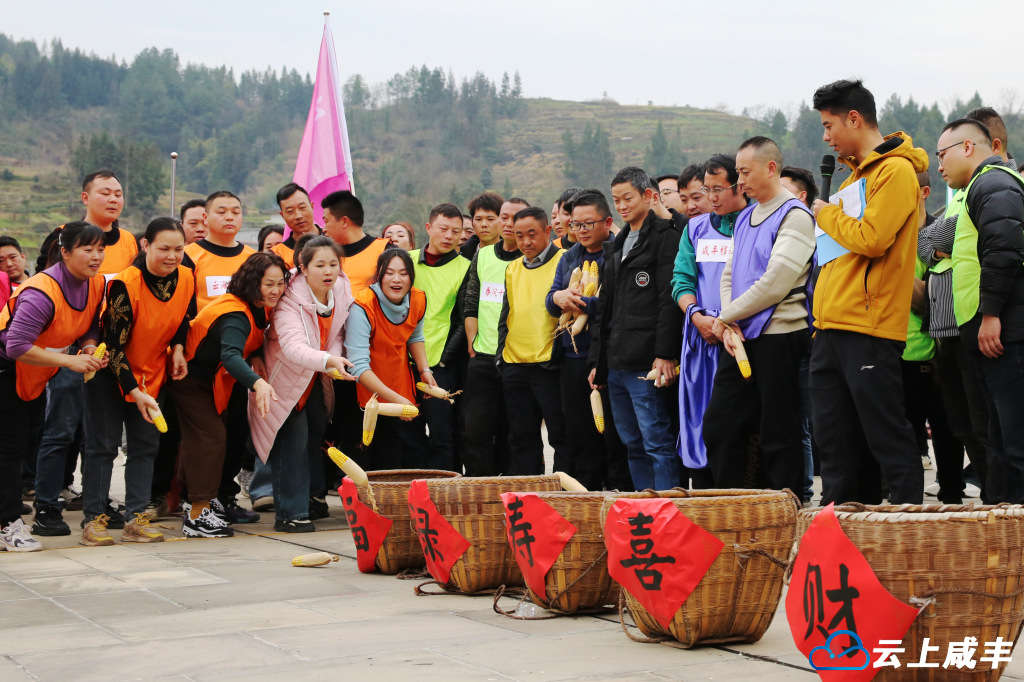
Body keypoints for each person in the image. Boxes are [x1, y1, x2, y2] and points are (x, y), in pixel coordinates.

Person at [809, 79, 927, 505]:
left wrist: (825, 215)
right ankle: (838, 532)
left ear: (854, 119)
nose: (825, 137)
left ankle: (909, 527)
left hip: (870, 328)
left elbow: (874, 239)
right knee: (835, 444)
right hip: (830, 325)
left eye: (828, 125)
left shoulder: (895, 171)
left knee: (887, 439)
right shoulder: (853, 180)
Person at [703, 137, 815, 497]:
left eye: (745, 172)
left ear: (771, 168)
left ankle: (785, 507)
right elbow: (728, 274)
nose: (740, 181)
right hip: (740, 337)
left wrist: (726, 318)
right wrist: (728, 317)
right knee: (720, 424)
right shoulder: (747, 216)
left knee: (778, 430)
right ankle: (732, 502)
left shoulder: (795, 216)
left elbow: (775, 283)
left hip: (780, 335)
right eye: (738, 172)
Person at [33, 171, 137, 536]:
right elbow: (48, 293)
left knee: (99, 437)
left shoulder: (128, 242)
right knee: (61, 431)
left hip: (106, 353)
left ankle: (98, 501)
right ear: (85, 197)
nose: (113, 199)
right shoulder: (64, 235)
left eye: (119, 193)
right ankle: (47, 504)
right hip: (65, 351)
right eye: (104, 192)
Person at [80, 218, 194, 546]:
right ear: (145, 246)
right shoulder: (125, 284)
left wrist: (178, 349)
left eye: (178, 249)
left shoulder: (186, 276)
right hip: (108, 371)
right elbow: (114, 349)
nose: (172, 256)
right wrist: (134, 391)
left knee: (146, 446)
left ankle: (136, 519)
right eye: (164, 249)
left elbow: (185, 316)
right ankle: (94, 520)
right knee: (103, 446)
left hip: (151, 372)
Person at [0, 222, 108, 550]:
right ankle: (7, 525)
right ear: (65, 252)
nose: (96, 256)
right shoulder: (40, 291)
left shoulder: (95, 284)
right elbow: (15, 345)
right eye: (86, 249)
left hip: (35, 375)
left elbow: (88, 323)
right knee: (8, 449)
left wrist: (88, 347)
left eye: (100, 249)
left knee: (25, 444)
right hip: (7, 370)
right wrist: (70, 361)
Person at [172, 252, 288, 538]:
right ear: (251, 283)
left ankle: (203, 500)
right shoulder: (235, 313)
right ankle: (197, 516)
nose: (275, 291)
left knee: (221, 437)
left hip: (214, 381)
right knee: (209, 438)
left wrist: (259, 354)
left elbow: (250, 341)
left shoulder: (257, 306)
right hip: (190, 379)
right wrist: (257, 383)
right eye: (268, 284)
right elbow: (232, 355)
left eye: (280, 283)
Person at [939, 118, 1024, 503]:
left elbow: (1004, 250)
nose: (939, 165)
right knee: (1001, 442)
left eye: (943, 154)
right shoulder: (982, 186)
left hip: (1006, 331)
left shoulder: (992, 184)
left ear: (969, 148)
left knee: (1015, 442)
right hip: (993, 330)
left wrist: (990, 314)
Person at [249, 236, 354, 531]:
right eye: (319, 265)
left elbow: (336, 335)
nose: (328, 271)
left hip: (315, 378)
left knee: (313, 437)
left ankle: (308, 501)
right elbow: (294, 348)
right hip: (283, 380)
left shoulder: (342, 289)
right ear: (303, 269)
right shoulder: (289, 301)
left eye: (333, 264)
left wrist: (333, 359)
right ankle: (289, 514)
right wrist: (329, 362)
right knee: (291, 443)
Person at [590, 167, 683, 491]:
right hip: (616, 361)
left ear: (648, 195)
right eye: (616, 200)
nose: (622, 206)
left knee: (656, 440)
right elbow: (607, 308)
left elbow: (668, 300)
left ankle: (669, 509)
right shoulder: (617, 243)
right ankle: (645, 506)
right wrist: (598, 362)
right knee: (632, 442)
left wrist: (664, 354)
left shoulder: (665, 236)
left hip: (647, 362)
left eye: (627, 198)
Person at [546, 190, 630, 490]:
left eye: (588, 224)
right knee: (580, 433)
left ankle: (620, 492)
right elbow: (551, 297)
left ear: (607, 222)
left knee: (613, 434)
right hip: (572, 356)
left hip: (607, 355)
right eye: (575, 225)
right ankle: (588, 494)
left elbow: (618, 304)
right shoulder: (569, 257)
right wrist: (558, 297)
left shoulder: (618, 254)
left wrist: (588, 304)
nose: (581, 231)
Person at [671, 156, 747, 476]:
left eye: (719, 189)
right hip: (701, 335)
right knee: (700, 418)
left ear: (738, 186)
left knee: (736, 424)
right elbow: (681, 280)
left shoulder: (754, 223)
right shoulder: (696, 229)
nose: (712, 197)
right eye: (707, 189)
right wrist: (695, 315)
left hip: (742, 334)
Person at [900, 170, 964, 504]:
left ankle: (953, 501)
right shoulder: (888, 235)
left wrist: (898, 281)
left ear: (924, 192)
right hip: (896, 356)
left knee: (949, 434)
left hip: (937, 356)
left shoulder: (937, 236)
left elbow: (940, 296)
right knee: (903, 442)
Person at [496, 207, 567, 475]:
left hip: (549, 363)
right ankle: (527, 498)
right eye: (519, 236)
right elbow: (507, 314)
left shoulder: (565, 260)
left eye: (532, 235)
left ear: (547, 231)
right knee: (521, 437)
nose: (525, 242)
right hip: (514, 364)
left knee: (560, 435)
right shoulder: (513, 268)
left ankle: (563, 496)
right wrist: (500, 358)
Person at [345, 249, 431, 470]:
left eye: (403, 273)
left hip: (397, 381)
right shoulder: (362, 305)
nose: (396, 279)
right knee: (364, 455)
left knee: (392, 454)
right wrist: (398, 400)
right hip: (365, 387)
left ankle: (388, 503)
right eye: (389, 273)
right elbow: (358, 366)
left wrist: (425, 371)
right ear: (379, 275)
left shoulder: (418, 298)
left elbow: (415, 335)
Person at [461, 196, 527, 476]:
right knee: (474, 430)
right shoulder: (484, 254)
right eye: (505, 217)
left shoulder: (531, 258)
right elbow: (471, 301)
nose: (508, 223)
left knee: (514, 432)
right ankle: (479, 486)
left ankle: (510, 490)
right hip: (483, 357)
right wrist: (472, 343)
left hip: (519, 360)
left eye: (516, 218)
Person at [410, 204, 469, 471]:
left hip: (440, 365)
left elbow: (461, 318)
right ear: (428, 228)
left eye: (455, 232)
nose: (448, 236)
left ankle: (443, 490)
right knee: (407, 432)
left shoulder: (465, 267)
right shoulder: (406, 261)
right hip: (404, 362)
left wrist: (444, 361)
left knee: (442, 432)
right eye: (443, 229)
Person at [184, 191, 257, 313]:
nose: (229, 217)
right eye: (221, 212)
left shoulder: (253, 258)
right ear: (205, 218)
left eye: (236, 212)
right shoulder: (188, 256)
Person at [321, 190, 391, 297]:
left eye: (326, 222)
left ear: (344, 221)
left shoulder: (385, 250)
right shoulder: (324, 255)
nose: (324, 229)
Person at [270, 183, 323, 268]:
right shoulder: (277, 255)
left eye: (302, 207)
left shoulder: (335, 240)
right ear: (282, 215)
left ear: (312, 206)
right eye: (290, 211)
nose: (298, 216)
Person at [459, 192, 503, 259]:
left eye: (490, 219)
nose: (484, 224)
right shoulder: (463, 256)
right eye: (478, 219)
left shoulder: (514, 256)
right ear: (472, 222)